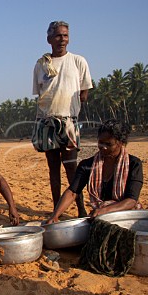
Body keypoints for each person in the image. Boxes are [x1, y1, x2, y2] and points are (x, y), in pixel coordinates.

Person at [32, 20, 93, 218]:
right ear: (49, 39)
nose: (62, 39)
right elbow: (41, 94)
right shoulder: (41, 65)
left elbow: (84, 93)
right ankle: (56, 209)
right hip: (47, 121)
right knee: (53, 169)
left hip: (68, 121)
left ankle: (81, 208)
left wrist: (71, 114)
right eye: (58, 35)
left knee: (72, 170)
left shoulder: (78, 61)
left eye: (65, 35)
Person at [44, 119, 143, 224]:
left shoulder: (134, 164)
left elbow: (131, 200)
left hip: (126, 215)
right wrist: (55, 215)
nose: (103, 147)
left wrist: (104, 210)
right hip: (101, 213)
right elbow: (73, 192)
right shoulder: (87, 165)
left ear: (121, 143)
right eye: (100, 142)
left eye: (108, 144)